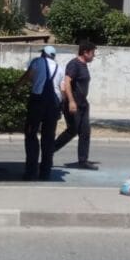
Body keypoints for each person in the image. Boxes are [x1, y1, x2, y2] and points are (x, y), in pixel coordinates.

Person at [17, 45, 63, 181]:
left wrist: (17, 86)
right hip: (53, 105)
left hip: (37, 103)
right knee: (48, 138)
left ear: (44, 54)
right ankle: (45, 172)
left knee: (31, 134)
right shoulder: (59, 68)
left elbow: (29, 76)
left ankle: (31, 171)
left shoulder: (37, 62)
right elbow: (63, 89)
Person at [54, 41, 98, 169]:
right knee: (72, 130)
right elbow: (67, 82)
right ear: (85, 52)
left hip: (83, 103)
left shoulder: (83, 65)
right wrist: (71, 101)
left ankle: (83, 161)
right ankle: (49, 150)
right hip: (73, 103)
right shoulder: (74, 64)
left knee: (85, 132)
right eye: (92, 53)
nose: (94, 56)